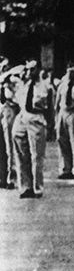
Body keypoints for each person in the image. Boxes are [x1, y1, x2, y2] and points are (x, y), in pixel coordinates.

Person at [12, 60, 53, 198]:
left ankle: (37, 188)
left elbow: (50, 108)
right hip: (23, 116)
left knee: (37, 155)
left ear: (38, 70)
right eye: (28, 69)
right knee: (21, 152)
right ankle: (25, 186)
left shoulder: (45, 86)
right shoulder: (23, 84)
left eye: (33, 69)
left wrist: (51, 126)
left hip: (36, 118)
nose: (30, 72)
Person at [0, 59, 20, 189]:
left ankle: (10, 177)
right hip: (1, 111)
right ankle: (3, 175)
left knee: (10, 146)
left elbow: (16, 99)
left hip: (9, 111)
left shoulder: (13, 82)